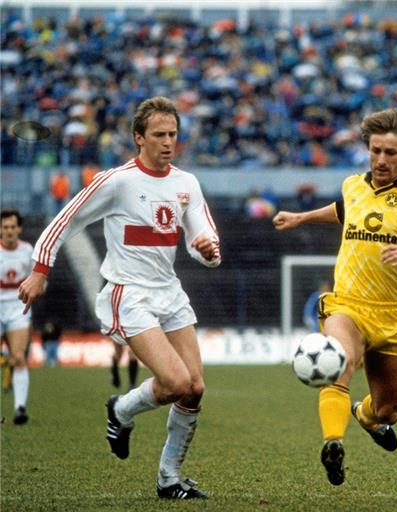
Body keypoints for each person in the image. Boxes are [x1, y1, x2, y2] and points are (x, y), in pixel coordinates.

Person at [18, 96, 221, 499]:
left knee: (194, 389)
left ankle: (169, 477)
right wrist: (40, 270)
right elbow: (65, 220)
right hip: (128, 293)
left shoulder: (186, 184)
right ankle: (122, 410)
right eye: (159, 135)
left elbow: (204, 239)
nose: (168, 142)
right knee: (177, 381)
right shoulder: (117, 181)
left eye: (173, 135)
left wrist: (207, 250)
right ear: (138, 138)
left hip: (169, 292)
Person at [273, 108, 397, 486]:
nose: (381, 160)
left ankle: (365, 415)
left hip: (390, 314)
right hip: (346, 304)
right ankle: (333, 443)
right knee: (341, 361)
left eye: (391, 153)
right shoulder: (353, 185)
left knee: (389, 410)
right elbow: (345, 211)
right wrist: (301, 218)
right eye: (375, 151)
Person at [1, 209, 33, 424]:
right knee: (9, 359)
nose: (9, 231)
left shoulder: (28, 250)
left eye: (13, 227)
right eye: (5, 227)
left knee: (19, 356)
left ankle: (20, 408)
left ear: (19, 228)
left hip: (18, 308)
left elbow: (35, 279)